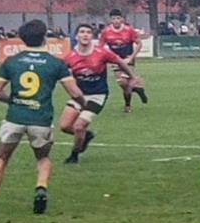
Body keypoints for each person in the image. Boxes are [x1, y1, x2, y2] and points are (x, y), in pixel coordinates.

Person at [0, 19, 87, 216]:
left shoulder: (11, 61)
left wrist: (13, 101)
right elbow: (74, 92)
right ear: (45, 37)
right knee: (43, 158)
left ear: (22, 39)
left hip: (14, 118)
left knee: (1, 158)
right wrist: (83, 103)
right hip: (41, 119)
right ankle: (40, 188)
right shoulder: (56, 63)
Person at [60, 24, 146, 165]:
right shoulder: (70, 56)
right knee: (64, 126)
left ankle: (74, 155)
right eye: (82, 32)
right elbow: (61, 72)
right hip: (79, 95)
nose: (85, 34)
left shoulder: (102, 53)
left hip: (97, 95)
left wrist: (132, 76)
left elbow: (120, 62)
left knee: (79, 126)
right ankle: (87, 136)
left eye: (88, 32)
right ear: (76, 36)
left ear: (92, 37)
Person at [100, 9, 151, 113]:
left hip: (128, 60)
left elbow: (139, 44)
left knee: (125, 81)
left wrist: (131, 57)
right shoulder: (106, 32)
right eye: (113, 18)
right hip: (115, 61)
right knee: (123, 84)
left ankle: (128, 106)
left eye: (118, 18)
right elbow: (100, 47)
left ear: (122, 19)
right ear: (110, 20)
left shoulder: (129, 30)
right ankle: (138, 89)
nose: (116, 21)